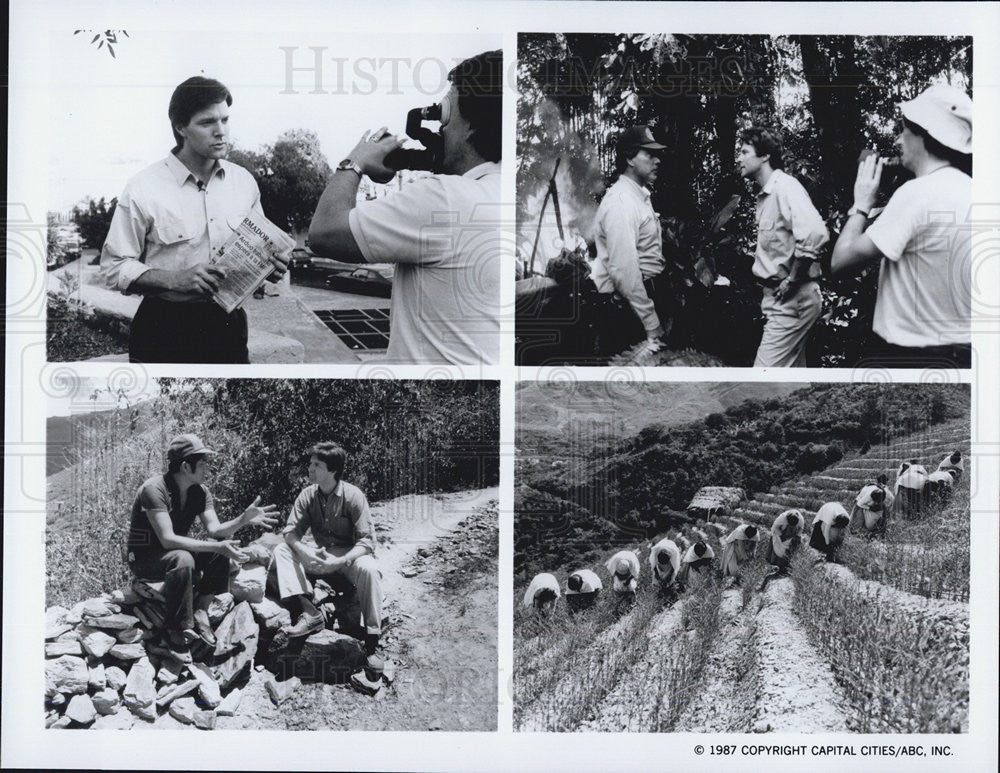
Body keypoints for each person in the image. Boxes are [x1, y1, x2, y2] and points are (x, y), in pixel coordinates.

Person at [308, 50, 502, 365]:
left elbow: (324, 232)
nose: (440, 128)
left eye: (445, 114)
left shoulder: (445, 199)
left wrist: (355, 162)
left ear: (470, 126)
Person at [101, 76, 291, 363]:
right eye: (207, 123)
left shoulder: (243, 182)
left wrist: (270, 268)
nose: (221, 131)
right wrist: (174, 280)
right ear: (180, 128)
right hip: (163, 329)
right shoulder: (143, 187)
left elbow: (260, 249)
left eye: (225, 120)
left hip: (229, 327)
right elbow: (113, 268)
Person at [831, 84, 972, 368]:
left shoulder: (916, 193)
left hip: (909, 356)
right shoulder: (975, 191)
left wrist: (861, 204)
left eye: (903, 129)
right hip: (965, 354)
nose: (898, 139)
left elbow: (840, 262)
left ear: (922, 133)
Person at [127, 434, 278, 662]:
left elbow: (215, 530)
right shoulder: (154, 489)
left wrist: (243, 519)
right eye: (203, 463)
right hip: (145, 557)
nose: (208, 468)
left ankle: (201, 610)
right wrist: (217, 547)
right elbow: (167, 539)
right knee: (185, 558)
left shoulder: (200, 491)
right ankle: (175, 632)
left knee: (215, 551)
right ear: (186, 466)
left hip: (173, 553)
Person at [271, 443, 384, 670]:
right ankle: (309, 612)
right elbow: (290, 533)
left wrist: (341, 560)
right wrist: (304, 551)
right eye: (311, 463)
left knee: (370, 569)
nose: (310, 469)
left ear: (333, 471)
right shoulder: (308, 495)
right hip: (320, 556)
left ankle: (372, 642)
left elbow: (367, 542)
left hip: (348, 559)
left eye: (317, 465)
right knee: (282, 550)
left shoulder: (353, 496)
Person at [738, 127, 829, 367]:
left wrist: (792, 279)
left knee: (761, 383)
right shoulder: (766, 195)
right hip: (781, 302)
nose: (739, 157)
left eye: (745, 151)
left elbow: (815, 232)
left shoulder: (785, 187)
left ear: (765, 155)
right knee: (791, 388)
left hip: (794, 301)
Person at [591, 125, 669, 356]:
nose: (657, 161)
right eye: (649, 154)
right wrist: (651, 323)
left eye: (657, 155)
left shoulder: (638, 196)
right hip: (629, 314)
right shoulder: (621, 201)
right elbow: (624, 271)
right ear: (629, 158)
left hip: (640, 304)